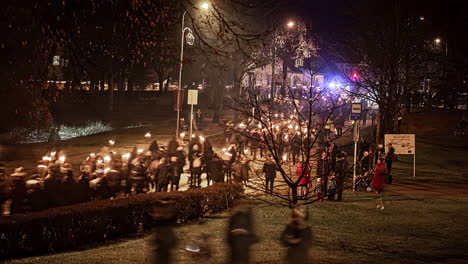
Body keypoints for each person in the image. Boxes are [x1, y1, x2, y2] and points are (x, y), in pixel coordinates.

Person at [227, 199, 257, 264]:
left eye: (243, 204)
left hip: (244, 249)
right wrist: (233, 233)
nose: (241, 206)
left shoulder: (248, 215)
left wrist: (245, 232)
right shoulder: (233, 216)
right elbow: (228, 235)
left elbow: (253, 234)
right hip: (234, 249)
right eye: (239, 204)